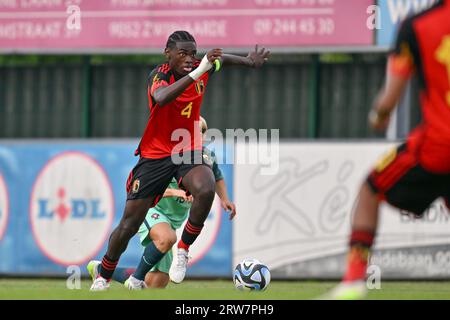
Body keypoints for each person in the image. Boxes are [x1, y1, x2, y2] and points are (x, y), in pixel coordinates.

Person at [90, 30, 269, 291]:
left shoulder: (201, 65)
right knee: (128, 225)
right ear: (168, 53)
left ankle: (183, 249)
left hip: (187, 147)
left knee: (206, 189)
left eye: (193, 53)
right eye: (182, 53)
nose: (189, 58)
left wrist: (247, 61)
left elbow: (222, 60)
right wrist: (200, 70)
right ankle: (103, 274)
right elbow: (162, 98)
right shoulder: (160, 75)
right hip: (155, 154)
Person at [324, 0, 450, 300]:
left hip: (439, 146)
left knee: (371, 189)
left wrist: (378, 116)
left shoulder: (416, 25)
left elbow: (389, 98)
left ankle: (354, 280)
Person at [87, 117, 236, 289]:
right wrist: (176, 191)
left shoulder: (205, 157)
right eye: (194, 131)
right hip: (152, 210)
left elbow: (217, 177)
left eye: (202, 131)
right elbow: (147, 189)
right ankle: (134, 280)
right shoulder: (167, 155)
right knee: (167, 238)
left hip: (173, 221)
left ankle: (104, 270)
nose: (199, 135)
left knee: (155, 284)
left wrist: (225, 199)